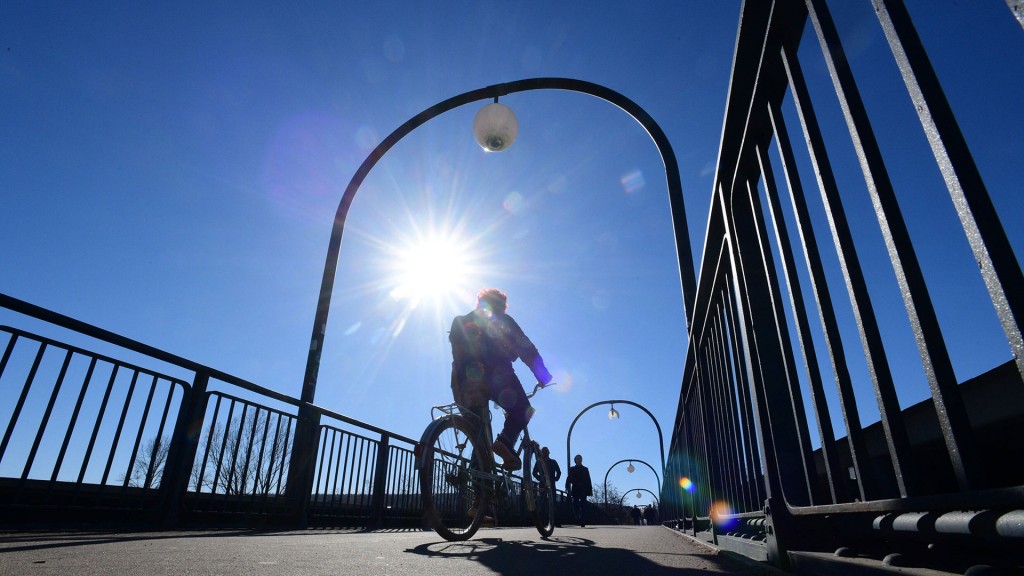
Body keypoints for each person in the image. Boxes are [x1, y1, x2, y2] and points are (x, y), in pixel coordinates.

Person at [449, 288, 553, 472]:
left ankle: (482, 487)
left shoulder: (461, 321)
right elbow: (526, 348)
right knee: (523, 410)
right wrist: (542, 375)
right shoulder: (503, 321)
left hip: (462, 382)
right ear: (502, 306)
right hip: (496, 375)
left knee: (479, 437)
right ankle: (505, 442)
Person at [565, 454, 593, 527]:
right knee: (575, 505)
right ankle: (578, 517)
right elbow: (568, 478)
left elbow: (588, 480)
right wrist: (567, 487)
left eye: (580, 458)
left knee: (583, 505)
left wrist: (590, 490)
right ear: (575, 460)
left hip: (583, 489)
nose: (579, 460)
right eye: (577, 458)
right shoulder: (572, 469)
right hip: (575, 489)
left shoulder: (585, 469)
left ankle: (583, 520)